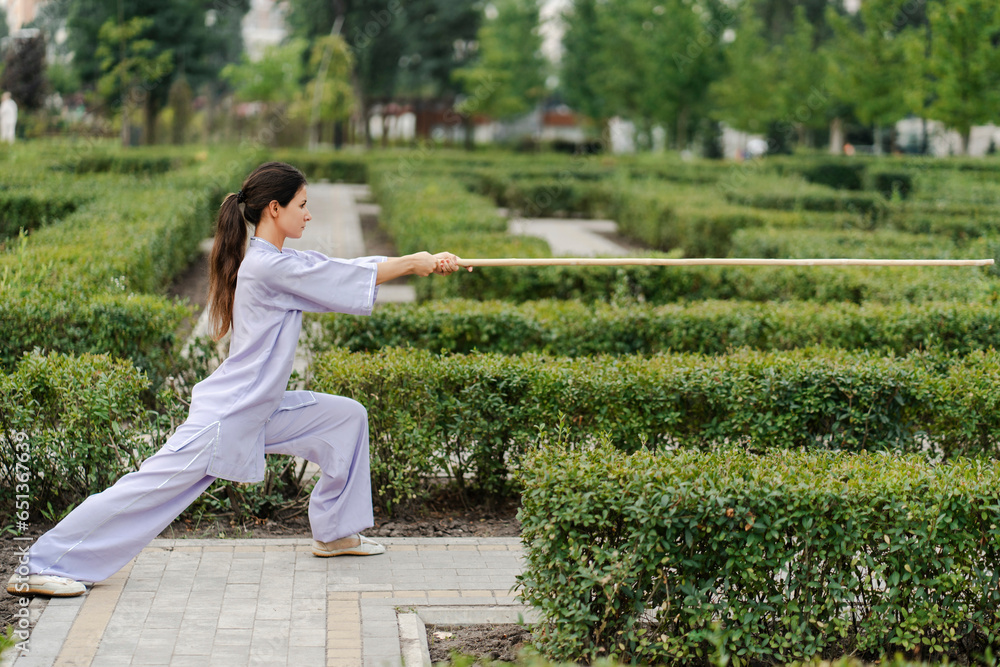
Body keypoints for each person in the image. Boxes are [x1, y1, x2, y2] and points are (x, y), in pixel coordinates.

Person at [7, 161, 469, 597]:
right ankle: (41, 566)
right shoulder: (269, 266)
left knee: (345, 419)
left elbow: (334, 270)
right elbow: (340, 273)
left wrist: (418, 260)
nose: (309, 214)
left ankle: (335, 534)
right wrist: (414, 262)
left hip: (260, 409)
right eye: (302, 204)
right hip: (229, 416)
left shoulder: (275, 261)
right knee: (143, 492)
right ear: (275, 208)